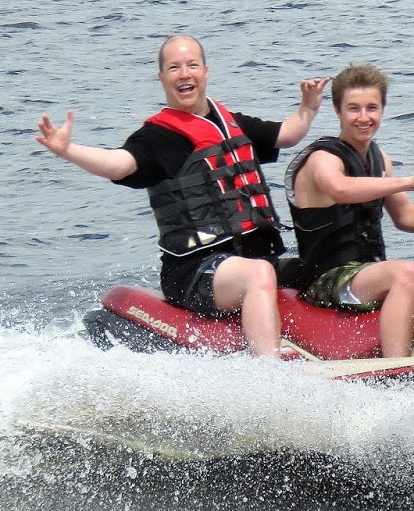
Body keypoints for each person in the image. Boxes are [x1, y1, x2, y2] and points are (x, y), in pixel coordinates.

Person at [36, 34, 327, 357]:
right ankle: (268, 372)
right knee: (259, 274)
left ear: (206, 71)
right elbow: (119, 164)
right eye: (174, 67)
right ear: (162, 78)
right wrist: (69, 150)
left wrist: (309, 106)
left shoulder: (230, 123)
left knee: (316, 269)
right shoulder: (158, 137)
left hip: (248, 259)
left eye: (192, 65)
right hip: (194, 270)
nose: (184, 74)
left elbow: (286, 135)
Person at [284, 63, 414, 359]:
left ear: (383, 109)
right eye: (354, 109)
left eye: (372, 108)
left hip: (368, 273)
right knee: (405, 272)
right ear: (337, 110)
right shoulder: (323, 159)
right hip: (327, 280)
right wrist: (410, 182)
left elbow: (405, 216)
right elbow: (339, 188)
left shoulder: (379, 158)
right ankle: (398, 370)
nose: (364, 118)